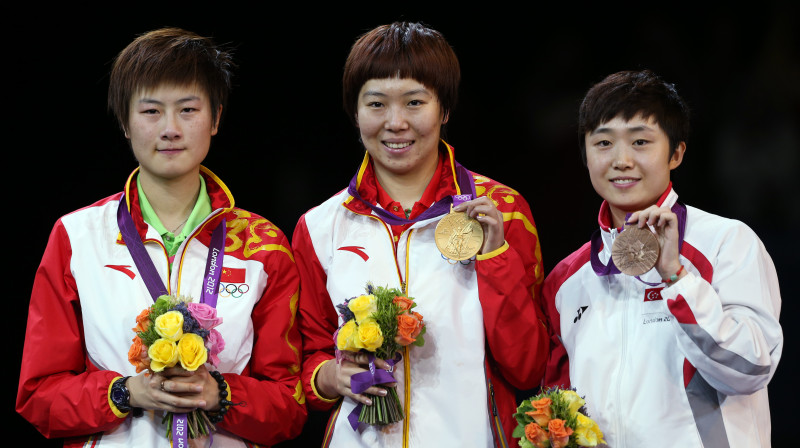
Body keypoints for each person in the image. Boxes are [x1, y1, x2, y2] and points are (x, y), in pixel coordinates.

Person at [16, 27, 307, 447]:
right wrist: (126, 393)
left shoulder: (264, 245)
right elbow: (38, 395)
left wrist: (220, 394)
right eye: (151, 112)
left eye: (188, 110)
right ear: (124, 121)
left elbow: (289, 405)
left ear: (216, 118)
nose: (170, 129)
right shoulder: (76, 236)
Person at [292, 21, 548, 447]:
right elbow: (304, 361)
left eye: (414, 102)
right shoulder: (319, 226)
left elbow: (528, 366)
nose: (395, 123)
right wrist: (333, 376)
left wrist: (495, 257)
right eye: (376, 104)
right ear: (354, 112)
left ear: (444, 109)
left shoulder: (502, 211)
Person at [541, 69, 783, 447]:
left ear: (676, 153)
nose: (621, 160)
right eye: (603, 143)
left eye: (640, 142)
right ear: (585, 156)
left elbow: (751, 367)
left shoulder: (726, 243)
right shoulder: (566, 279)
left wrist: (677, 278)